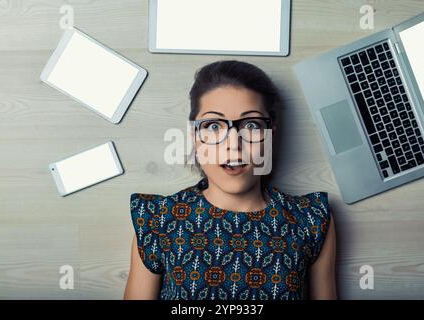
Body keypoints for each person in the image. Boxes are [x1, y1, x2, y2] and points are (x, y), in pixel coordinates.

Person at [124, 60, 336, 300]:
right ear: (195, 136)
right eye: (214, 125)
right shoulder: (157, 220)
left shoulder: (312, 220)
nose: (233, 145)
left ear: (271, 134)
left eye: (251, 125)